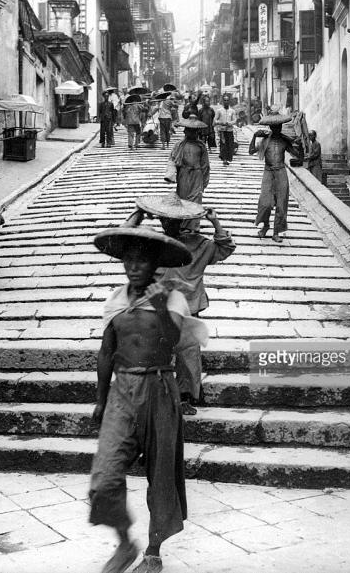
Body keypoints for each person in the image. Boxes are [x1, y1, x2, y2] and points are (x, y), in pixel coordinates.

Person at [89, 227, 207, 573]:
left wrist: (158, 302)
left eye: (142, 259)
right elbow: (106, 350)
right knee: (104, 477)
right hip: (122, 393)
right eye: (129, 259)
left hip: (159, 389)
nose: (134, 266)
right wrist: (100, 399)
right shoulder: (115, 299)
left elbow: (175, 342)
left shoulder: (171, 296)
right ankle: (125, 544)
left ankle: (153, 552)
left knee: (162, 475)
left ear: (155, 264)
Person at [128, 195, 236, 414]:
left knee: (188, 354)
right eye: (164, 219)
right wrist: (138, 215)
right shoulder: (151, 242)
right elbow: (122, 240)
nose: (168, 223)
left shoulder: (199, 244)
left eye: (172, 220)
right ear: (159, 220)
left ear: (181, 221)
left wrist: (216, 223)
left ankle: (185, 397)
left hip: (188, 308)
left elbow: (224, 249)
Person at [249, 113, 297, 243]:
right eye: (274, 128)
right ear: (270, 128)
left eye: (279, 127)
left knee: (281, 204)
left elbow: (297, 155)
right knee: (265, 203)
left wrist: (300, 144)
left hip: (281, 172)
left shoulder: (284, 141)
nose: (277, 130)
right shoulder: (265, 141)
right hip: (268, 172)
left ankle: (276, 232)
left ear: (281, 128)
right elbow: (251, 151)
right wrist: (254, 136)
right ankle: (265, 226)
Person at [165, 115, 209, 231]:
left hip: (197, 174)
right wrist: (171, 173)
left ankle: (194, 226)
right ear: (185, 131)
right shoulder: (179, 145)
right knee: (183, 199)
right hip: (183, 174)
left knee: (195, 199)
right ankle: (183, 224)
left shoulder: (201, 146)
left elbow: (205, 165)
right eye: (189, 131)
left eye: (194, 131)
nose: (191, 133)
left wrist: (204, 181)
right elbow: (172, 159)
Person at [214, 93, 237, 165]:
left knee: (230, 145)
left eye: (227, 100)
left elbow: (235, 120)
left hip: (229, 130)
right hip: (222, 130)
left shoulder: (232, 111)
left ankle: (227, 158)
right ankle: (224, 159)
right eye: (225, 100)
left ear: (229, 101)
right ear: (223, 101)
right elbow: (215, 120)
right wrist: (221, 122)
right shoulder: (219, 111)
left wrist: (229, 123)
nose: (226, 101)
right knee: (223, 144)